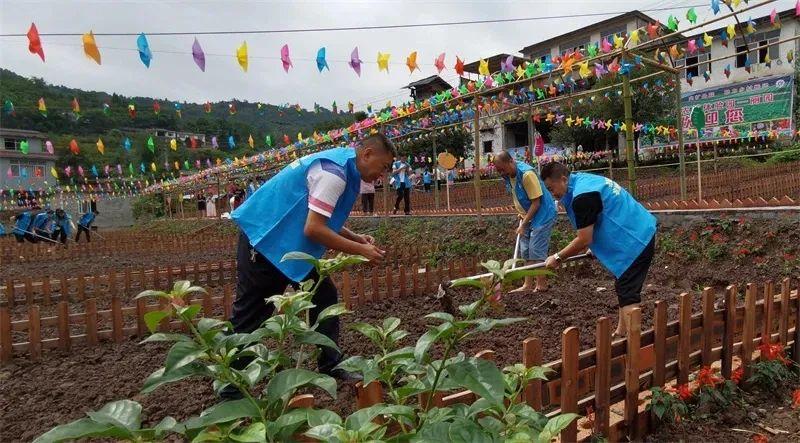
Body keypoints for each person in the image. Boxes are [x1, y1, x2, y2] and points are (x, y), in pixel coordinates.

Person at [224, 133, 395, 400]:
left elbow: (319, 213)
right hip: (266, 241)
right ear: (368, 154)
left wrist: (355, 238)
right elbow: (314, 228)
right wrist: (361, 250)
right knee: (250, 315)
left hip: (288, 245)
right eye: (384, 167)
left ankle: (331, 364)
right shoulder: (334, 174)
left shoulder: (341, 164)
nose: (382, 175)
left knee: (324, 296)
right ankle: (230, 388)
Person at [541, 162, 657, 338]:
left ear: (563, 179)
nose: (552, 194)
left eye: (551, 188)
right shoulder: (583, 181)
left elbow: (584, 238)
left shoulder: (582, 197)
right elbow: (601, 216)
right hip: (638, 228)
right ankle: (622, 332)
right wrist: (596, 248)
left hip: (635, 241)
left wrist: (558, 257)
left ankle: (636, 345)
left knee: (628, 292)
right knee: (623, 286)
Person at [494, 152, 557, 293]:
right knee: (526, 250)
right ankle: (527, 284)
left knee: (536, 249)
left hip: (543, 213)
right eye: (498, 170)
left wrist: (523, 224)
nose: (500, 173)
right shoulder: (508, 175)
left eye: (502, 169)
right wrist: (522, 215)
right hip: (526, 215)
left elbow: (536, 202)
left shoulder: (527, 175)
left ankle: (541, 285)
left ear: (511, 161)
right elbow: (518, 196)